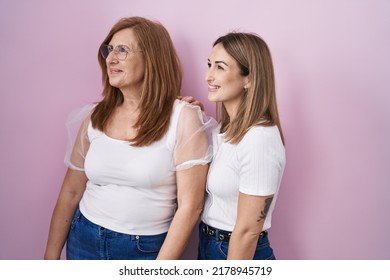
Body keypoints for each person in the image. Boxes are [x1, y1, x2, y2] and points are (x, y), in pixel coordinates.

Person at [44, 16, 215, 260]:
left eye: (122, 50)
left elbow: (190, 207)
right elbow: (71, 192)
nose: (110, 58)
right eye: (109, 50)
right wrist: (49, 258)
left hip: (143, 249)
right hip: (83, 237)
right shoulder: (94, 116)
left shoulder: (183, 118)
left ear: (152, 58)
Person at [197, 32, 286, 260]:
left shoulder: (260, 138)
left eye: (220, 67)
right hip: (210, 244)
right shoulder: (222, 132)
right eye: (209, 65)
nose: (208, 75)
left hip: (236, 251)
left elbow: (248, 232)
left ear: (249, 78)